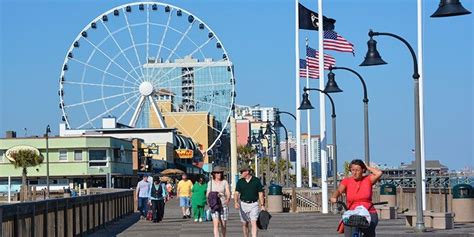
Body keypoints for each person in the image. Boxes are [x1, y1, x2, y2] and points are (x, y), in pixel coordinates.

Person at [330, 159, 383, 237]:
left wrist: (367, 167)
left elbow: (379, 173)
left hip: (368, 212)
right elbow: (339, 190)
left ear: (363, 170)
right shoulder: (346, 181)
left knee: (370, 233)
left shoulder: (368, 179)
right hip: (352, 212)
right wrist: (334, 197)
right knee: (349, 233)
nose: (354, 172)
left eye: (357, 170)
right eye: (353, 170)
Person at [234, 165, 265, 237]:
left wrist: (262, 205)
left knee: (253, 222)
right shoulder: (240, 181)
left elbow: (260, 193)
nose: (241, 173)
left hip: (254, 204)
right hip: (243, 204)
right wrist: (235, 202)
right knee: (245, 224)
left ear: (247, 172)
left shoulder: (256, 181)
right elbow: (236, 193)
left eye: (242, 172)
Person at [207, 166, 231, 237]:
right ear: (214, 174)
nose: (219, 174)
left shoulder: (224, 182)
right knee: (216, 223)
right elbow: (208, 193)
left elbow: (228, 191)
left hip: (223, 205)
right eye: (217, 173)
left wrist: (228, 198)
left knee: (223, 224)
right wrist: (214, 195)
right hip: (214, 205)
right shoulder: (210, 183)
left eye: (220, 173)